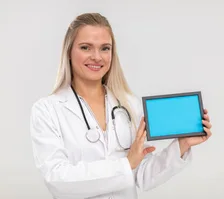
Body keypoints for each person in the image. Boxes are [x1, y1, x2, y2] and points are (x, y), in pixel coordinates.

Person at [29, 13, 213, 199]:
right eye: (85, 47)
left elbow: (142, 176)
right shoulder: (47, 110)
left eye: (105, 48)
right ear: (69, 52)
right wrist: (125, 165)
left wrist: (182, 145)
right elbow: (57, 179)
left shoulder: (128, 105)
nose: (97, 57)